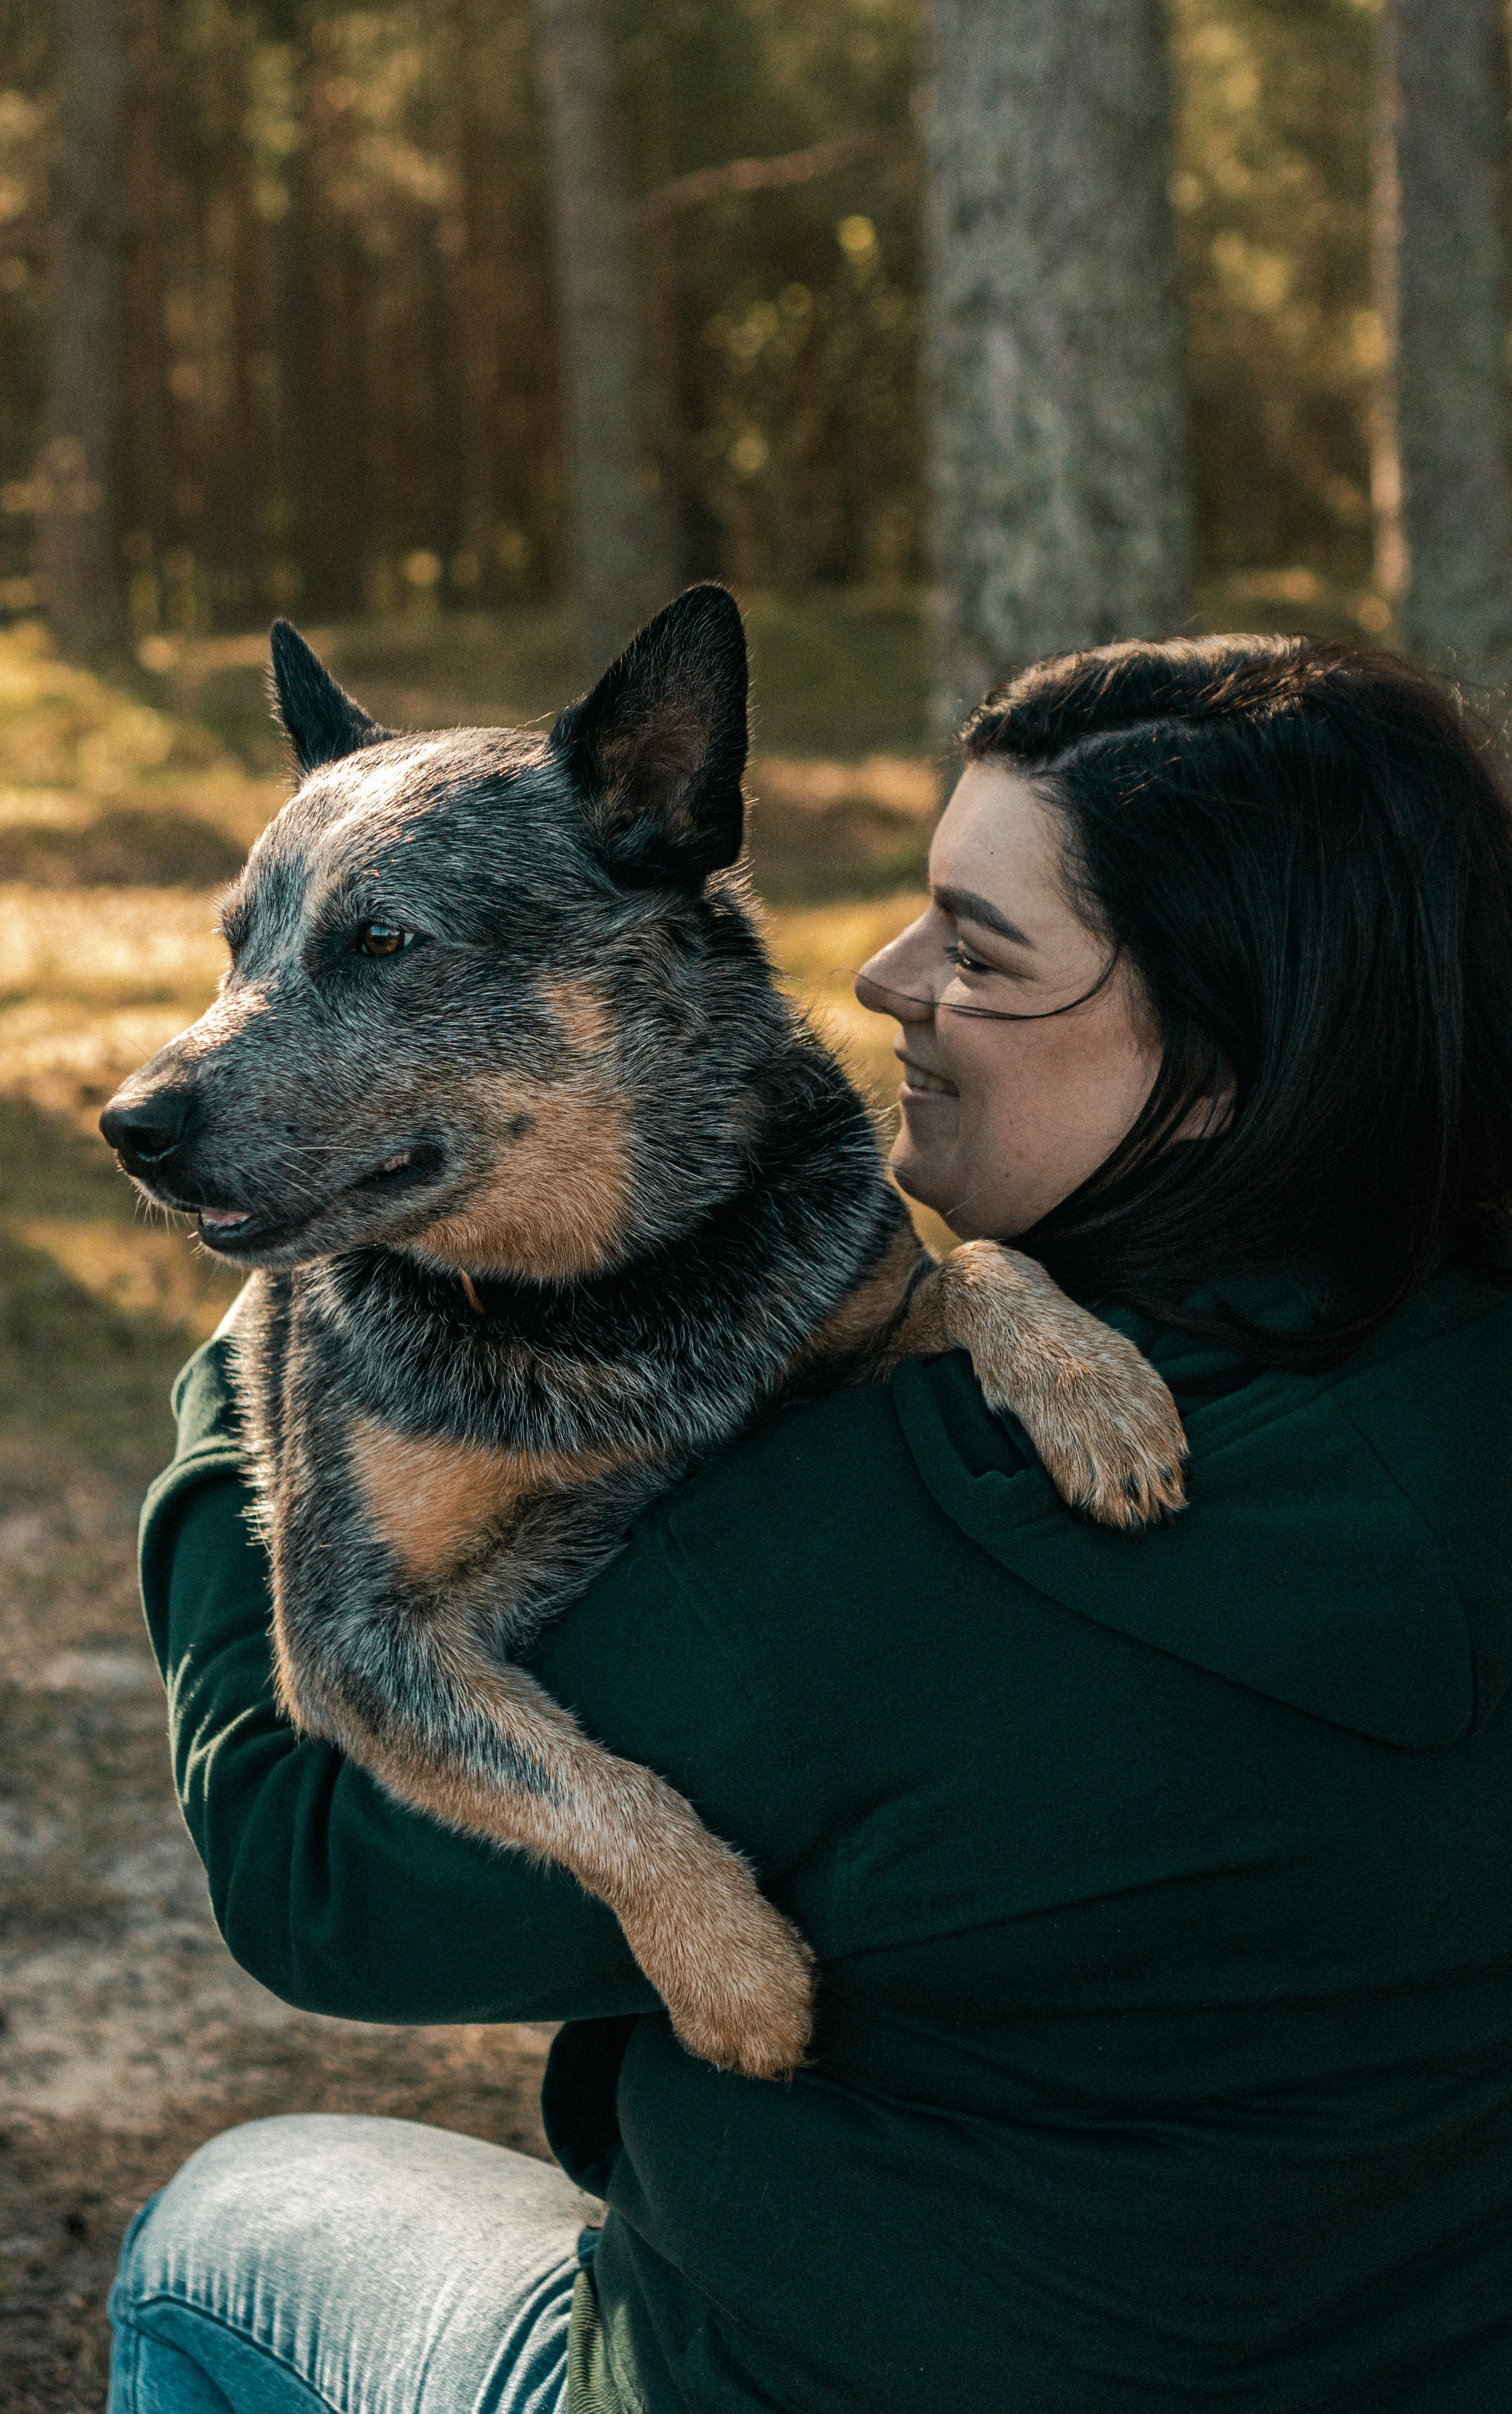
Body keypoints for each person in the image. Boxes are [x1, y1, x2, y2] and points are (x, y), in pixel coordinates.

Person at [109, 634, 1512, 2413]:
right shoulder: (1465, 1356)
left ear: (1227, 1056)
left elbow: (313, 1883)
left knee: (232, 2218)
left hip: (803, 2379)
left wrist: (243, 1388)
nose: (879, 975)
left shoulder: (912, 1527)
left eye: (981, 954)